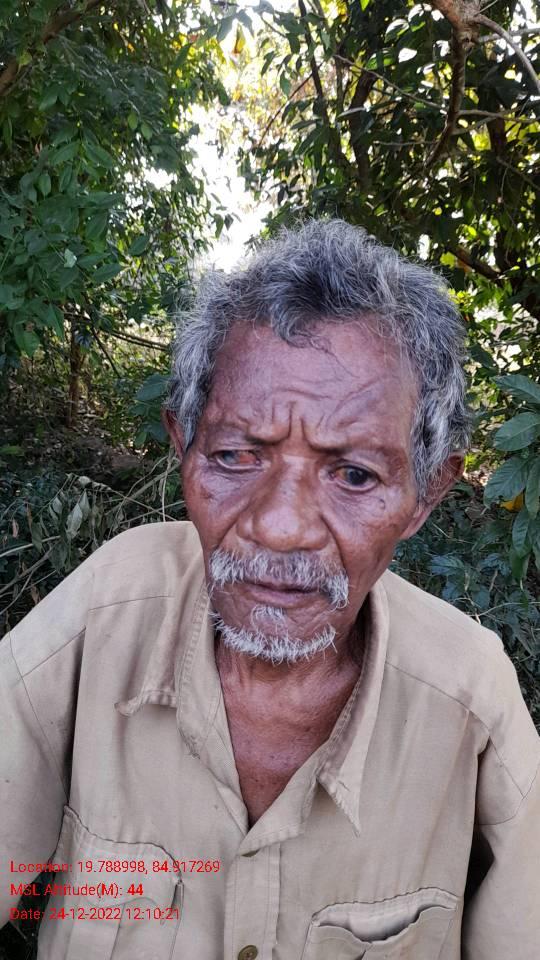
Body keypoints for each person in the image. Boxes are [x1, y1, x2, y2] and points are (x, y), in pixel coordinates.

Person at [1, 219, 538, 960]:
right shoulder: (107, 608)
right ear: (183, 447)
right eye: (234, 456)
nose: (281, 528)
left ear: (424, 495)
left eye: (354, 475)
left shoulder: (469, 695)